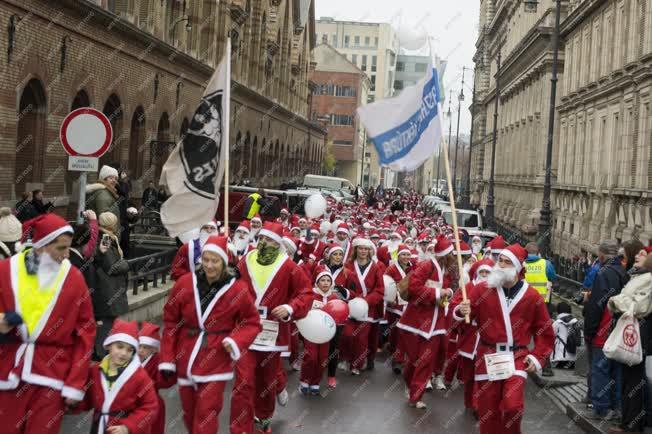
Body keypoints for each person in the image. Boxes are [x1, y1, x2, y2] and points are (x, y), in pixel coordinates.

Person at [0, 213, 96, 434]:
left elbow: (85, 333)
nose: (66, 255)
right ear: (42, 245)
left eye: (68, 248)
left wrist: (75, 382)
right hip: (8, 370)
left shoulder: (74, 278)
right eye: (61, 249)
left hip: (51, 373)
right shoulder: (6, 271)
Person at [160, 235, 262, 434]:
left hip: (216, 356)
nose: (209, 265)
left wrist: (235, 341)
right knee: (190, 413)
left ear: (224, 262)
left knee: (206, 413)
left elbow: (252, 321)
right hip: (186, 355)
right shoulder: (185, 283)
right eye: (205, 259)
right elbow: (171, 321)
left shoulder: (237, 289)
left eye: (214, 261)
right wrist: (167, 358)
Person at [455, 244, 555, 434]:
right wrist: (462, 311)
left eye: (506, 262)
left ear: (517, 268)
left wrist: (536, 357)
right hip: (488, 356)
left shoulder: (532, 296)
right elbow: (465, 318)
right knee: (488, 411)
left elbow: (545, 331)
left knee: (513, 406)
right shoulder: (482, 289)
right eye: (499, 260)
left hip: (517, 356)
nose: (500, 265)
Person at [232, 222, 312, 434]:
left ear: (278, 244)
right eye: (262, 239)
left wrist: (289, 307)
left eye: (270, 240)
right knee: (242, 381)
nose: (265, 243)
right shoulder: (245, 260)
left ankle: (265, 416)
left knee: (266, 379)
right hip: (245, 329)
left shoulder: (289, 267)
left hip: (272, 333)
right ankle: (240, 427)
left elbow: (306, 293)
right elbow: (231, 287)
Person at [397, 236, 454, 408]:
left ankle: (416, 396)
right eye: (452, 253)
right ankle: (410, 384)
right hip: (415, 321)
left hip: (436, 324)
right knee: (414, 360)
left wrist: (449, 293)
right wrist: (438, 293)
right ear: (445, 254)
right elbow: (414, 288)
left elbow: (450, 289)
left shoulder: (448, 270)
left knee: (425, 361)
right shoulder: (426, 266)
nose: (455, 256)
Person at [75, 319, 159, 434]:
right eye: (120, 347)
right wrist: (74, 403)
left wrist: (128, 427)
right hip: (99, 426)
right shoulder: (95, 371)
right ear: (109, 345)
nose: (124, 353)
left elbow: (150, 407)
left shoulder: (139, 376)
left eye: (129, 350)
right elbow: (87, 399)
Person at [607, 245, 652, 434]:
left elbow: (641, 306)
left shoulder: (648, 279)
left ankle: (632, 425)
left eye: (644, 254)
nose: (639, 255)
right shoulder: (638, 276)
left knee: (633, 380)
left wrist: (616, 301)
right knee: (629, 379)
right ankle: (628, 422)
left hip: (639, 333)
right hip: (634, 331)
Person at [584, 240, 626, 421]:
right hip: (619, 331)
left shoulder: (603, 273)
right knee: (616, 371)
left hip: (603, 330)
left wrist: (589, 331)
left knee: (600, 369)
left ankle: (601, 408)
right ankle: (617, 407)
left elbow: (595, 307)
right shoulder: (624, 272)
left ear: (601, 255)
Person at [340, 237, 385, 375]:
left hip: (368, 308)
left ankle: (357, 364)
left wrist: (367, 300)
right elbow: (343, 284)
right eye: (361, 248)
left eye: (366, 249)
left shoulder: (376, 267)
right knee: (347, 335)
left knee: (361, 338)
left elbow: (380, 289)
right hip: (350, 305)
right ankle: (346, 358)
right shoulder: (348, 265)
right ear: (356, 249)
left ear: (370, 251)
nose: (363, 251)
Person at [93, 212, 130, 360]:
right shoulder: (106, 238)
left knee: (107, 324)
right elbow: (111, 266)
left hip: (108, 289)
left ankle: (101, 353)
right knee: (106, 324)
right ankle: (102, 355)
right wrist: (126, 264)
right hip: (108, 290)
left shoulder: (107, 237)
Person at [299, 266, 339, 396]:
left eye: (328, 280)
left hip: (326, 334)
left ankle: (315, 382)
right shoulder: (311, 295)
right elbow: (302, 310)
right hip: (311, 333)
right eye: (323, 280)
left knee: (322, 358)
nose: (326, 283)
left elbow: (338, 314)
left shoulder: (334, 298)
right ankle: (304, 381)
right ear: (317, 282)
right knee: (311, 357)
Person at [138, 322, 176, 434]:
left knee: (154, 429)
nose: (141, 350)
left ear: (154, 349)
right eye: (139, 346)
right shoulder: (133, 360)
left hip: (153, 401)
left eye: (145, 347)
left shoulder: (158, 361)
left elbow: (163, 382)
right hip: (134, 403)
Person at [384, 243, 414, 374]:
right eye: (403, 255)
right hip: (395, 306)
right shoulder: (391, 269)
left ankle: (400, 359)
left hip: (408, 305)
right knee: (395, 333)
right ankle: (395, 356)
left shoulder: (414, 268)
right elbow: (385, 283)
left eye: (408, 254)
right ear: (398, 256)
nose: (406, 257)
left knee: (405, 334)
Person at [551, 302, 579, 369]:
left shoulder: (557, 323)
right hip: (573, 357)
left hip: (560, 357)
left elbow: (551, 335)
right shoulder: (576, 322)